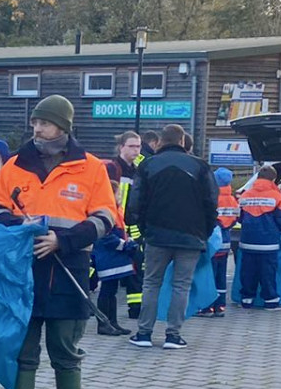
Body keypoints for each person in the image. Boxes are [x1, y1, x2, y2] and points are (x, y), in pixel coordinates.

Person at [0, 95, 119, 389]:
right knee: (23, 351)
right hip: (23, 269)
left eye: (44, 122)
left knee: (66, 351)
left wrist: (64, 240)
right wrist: (20, 227)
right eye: (35, 122)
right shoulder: (15, 164)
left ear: (62, 126)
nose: (37, 128)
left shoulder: (91, 167)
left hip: (69, 268)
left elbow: (106, 216)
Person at [127, 123, 218, 351]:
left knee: (151, 283)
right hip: (191, 236)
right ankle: (173, 335)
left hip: (156, 235)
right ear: (182, 141)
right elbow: (211, 202)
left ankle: (144, 333)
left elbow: (135, 202)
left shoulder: (148, 165)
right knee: (181, 285)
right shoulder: (200, 166)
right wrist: (205, 232)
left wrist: (143, 229)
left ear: (160, 141)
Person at [99, 131, 143, 326]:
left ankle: (135, 308)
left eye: (138, 146)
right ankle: (97, 312)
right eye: (132, 146)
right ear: (121, 147)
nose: (136, 150)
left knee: (135, 266)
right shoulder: (113, 168)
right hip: (112, 224)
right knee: (103, 273)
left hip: (129, 224)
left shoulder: (138, 170)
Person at [236, 165, 281, 309]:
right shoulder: (276, 196)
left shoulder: (245, 195)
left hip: (247, 241)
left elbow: (239, 217)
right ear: (273, 179)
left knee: (248, 272)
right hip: (268, 242)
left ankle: (247, 299)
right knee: (268, 272)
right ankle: (270, 301)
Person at [206, 167, 238, 316]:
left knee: (209, 276)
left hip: (213, 244)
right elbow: (235, 219)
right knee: (221, 276)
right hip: (225, 244)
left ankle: (208, 306)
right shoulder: (232, 200)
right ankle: (220, 306)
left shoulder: (213, 198)